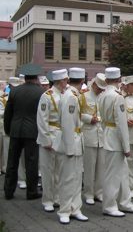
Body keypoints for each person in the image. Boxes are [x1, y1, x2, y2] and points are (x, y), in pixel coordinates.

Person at [98, 67, 133, 217]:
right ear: (119, 80)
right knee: (113, 174)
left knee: (123, 173)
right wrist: (126, 146)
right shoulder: (117, 97)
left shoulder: (103, 95)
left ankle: (125, 202)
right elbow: (121, 124)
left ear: (106, 80)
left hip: (108, 134)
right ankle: (109, 205)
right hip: (115, 139)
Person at [3, 63, 44, 200]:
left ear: (25, 77)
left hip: (15, 130)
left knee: (12, 161)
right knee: (31, 162)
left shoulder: (14, 91)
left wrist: (8, 129)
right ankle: (32, 191)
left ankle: (8, 190)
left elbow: (8, 113)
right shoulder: (40, 92)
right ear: (36, 78)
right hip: (32, 131)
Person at [55, 67, 88, 224]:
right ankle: (64, 210)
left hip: (76, 140)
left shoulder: (74, 95)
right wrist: (69, 147)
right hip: (70, 142)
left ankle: (75, 207)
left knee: (76, 178)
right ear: (82, 81)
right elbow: (67, 124)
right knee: (68, 178)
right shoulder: (70, 97)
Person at [37, 69, 69, 212]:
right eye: (65, 80)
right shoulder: (47, 96)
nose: (67, 83)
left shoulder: (64, 95)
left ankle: (56, 197)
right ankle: (48, 199)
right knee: (47, 169)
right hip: (50, 134)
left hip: (61, 135)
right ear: (60, 81)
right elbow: (42, 120)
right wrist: (46, 140)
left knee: (59, 170)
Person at [80, 73, 107, 205]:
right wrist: (89, 118)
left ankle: (99, 192)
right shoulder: (83, 96)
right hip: (89, 133)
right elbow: (79, 114)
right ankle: (89, 193)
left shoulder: (103, 97)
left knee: (101, 167)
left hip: (101, 134)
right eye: (99, 87)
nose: (100, 90)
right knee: (89, 167)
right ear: (94, 84)